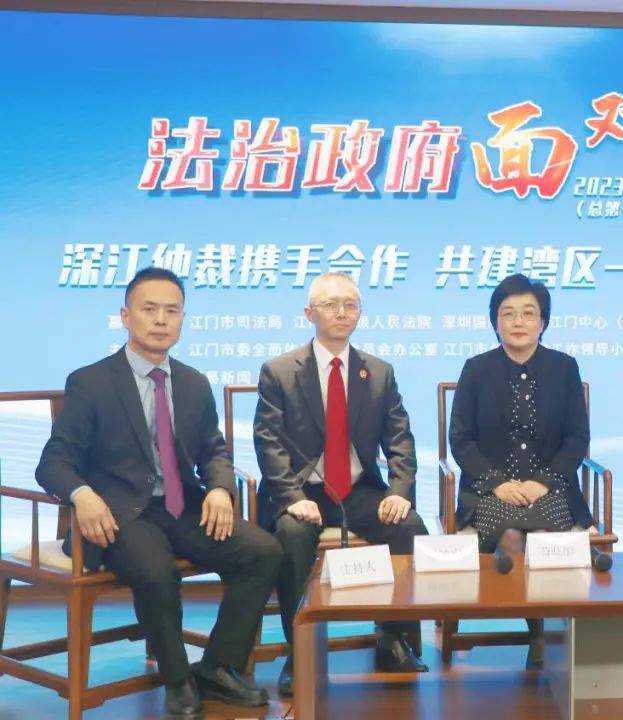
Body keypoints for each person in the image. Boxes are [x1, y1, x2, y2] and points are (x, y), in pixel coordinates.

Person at [36, 267, 282, 720]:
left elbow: (213, 450)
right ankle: (178, 679)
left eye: (172, 311)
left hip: (180, 507)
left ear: (183, 319)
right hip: (117, 514)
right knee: (156, 569)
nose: (161, 320)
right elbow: (53, 463)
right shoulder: (91, 382)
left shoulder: (193, 382)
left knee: (264, 551)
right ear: (125, 316)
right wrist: (82, 495)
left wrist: (221, 488)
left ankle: (218, 666)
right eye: (149, 309)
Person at [254, 271, 428, 696]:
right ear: (309, 313)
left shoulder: (379, 373)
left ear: (360, 313)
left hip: (356, 488)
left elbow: (400, 441)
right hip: (302, 491)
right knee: (294, 535)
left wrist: (398, 492)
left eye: (350, 304)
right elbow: (268, 442)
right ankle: (299, 650)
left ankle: (394, 638)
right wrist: (291, 498)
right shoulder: (280, 371)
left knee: (408, 526)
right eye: (331, 304)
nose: (341, 312)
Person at [449, 273, 595, 669]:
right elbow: (460, 439)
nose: (518, 322)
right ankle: (538, 631)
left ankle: (549, 633)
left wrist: (543, 482)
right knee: (512, 536)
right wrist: (498, 484)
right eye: (508, 313)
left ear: (542, 322)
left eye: (528, 313)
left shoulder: (564, 367)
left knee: (544, 537)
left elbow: (577, 438)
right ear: (495, 321)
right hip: (489, 491)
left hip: (551, 488)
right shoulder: (476, 369)